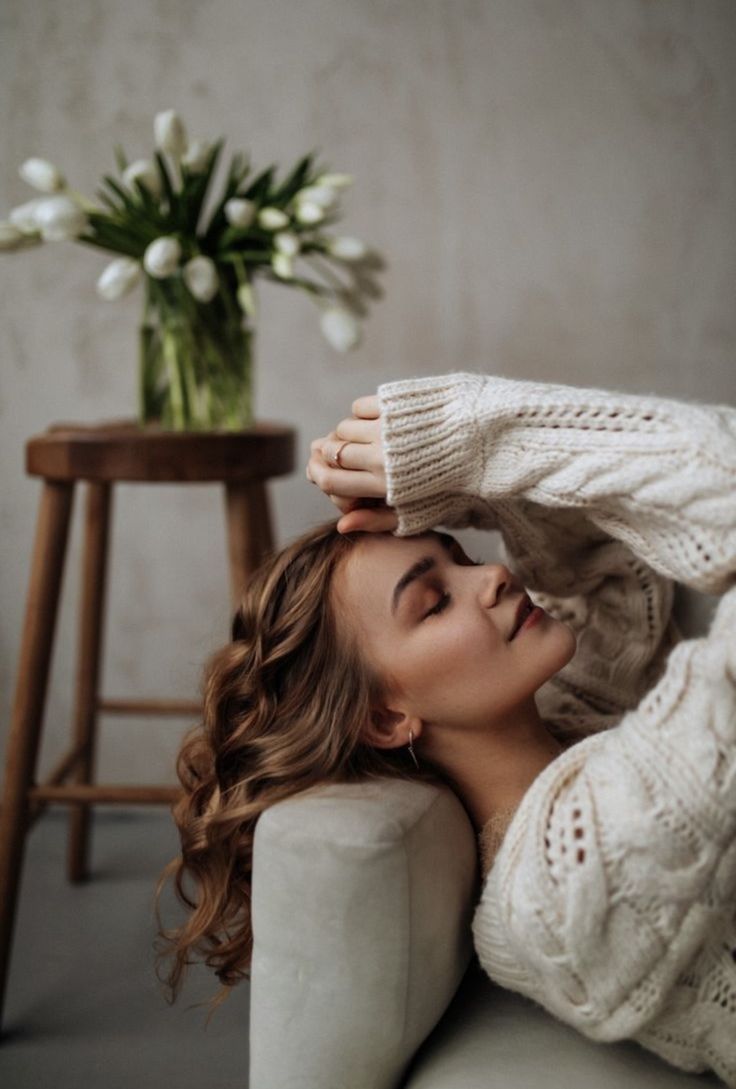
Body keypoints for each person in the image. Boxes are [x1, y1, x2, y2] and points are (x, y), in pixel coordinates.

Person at [159, 370, 736, 1086]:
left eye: (460, 557)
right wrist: (478, 433)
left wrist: (470, 486)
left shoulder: (575, 720)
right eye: (433, 603)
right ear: (386, 715)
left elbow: (598, 569)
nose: (491, 578)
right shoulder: (556, 884)